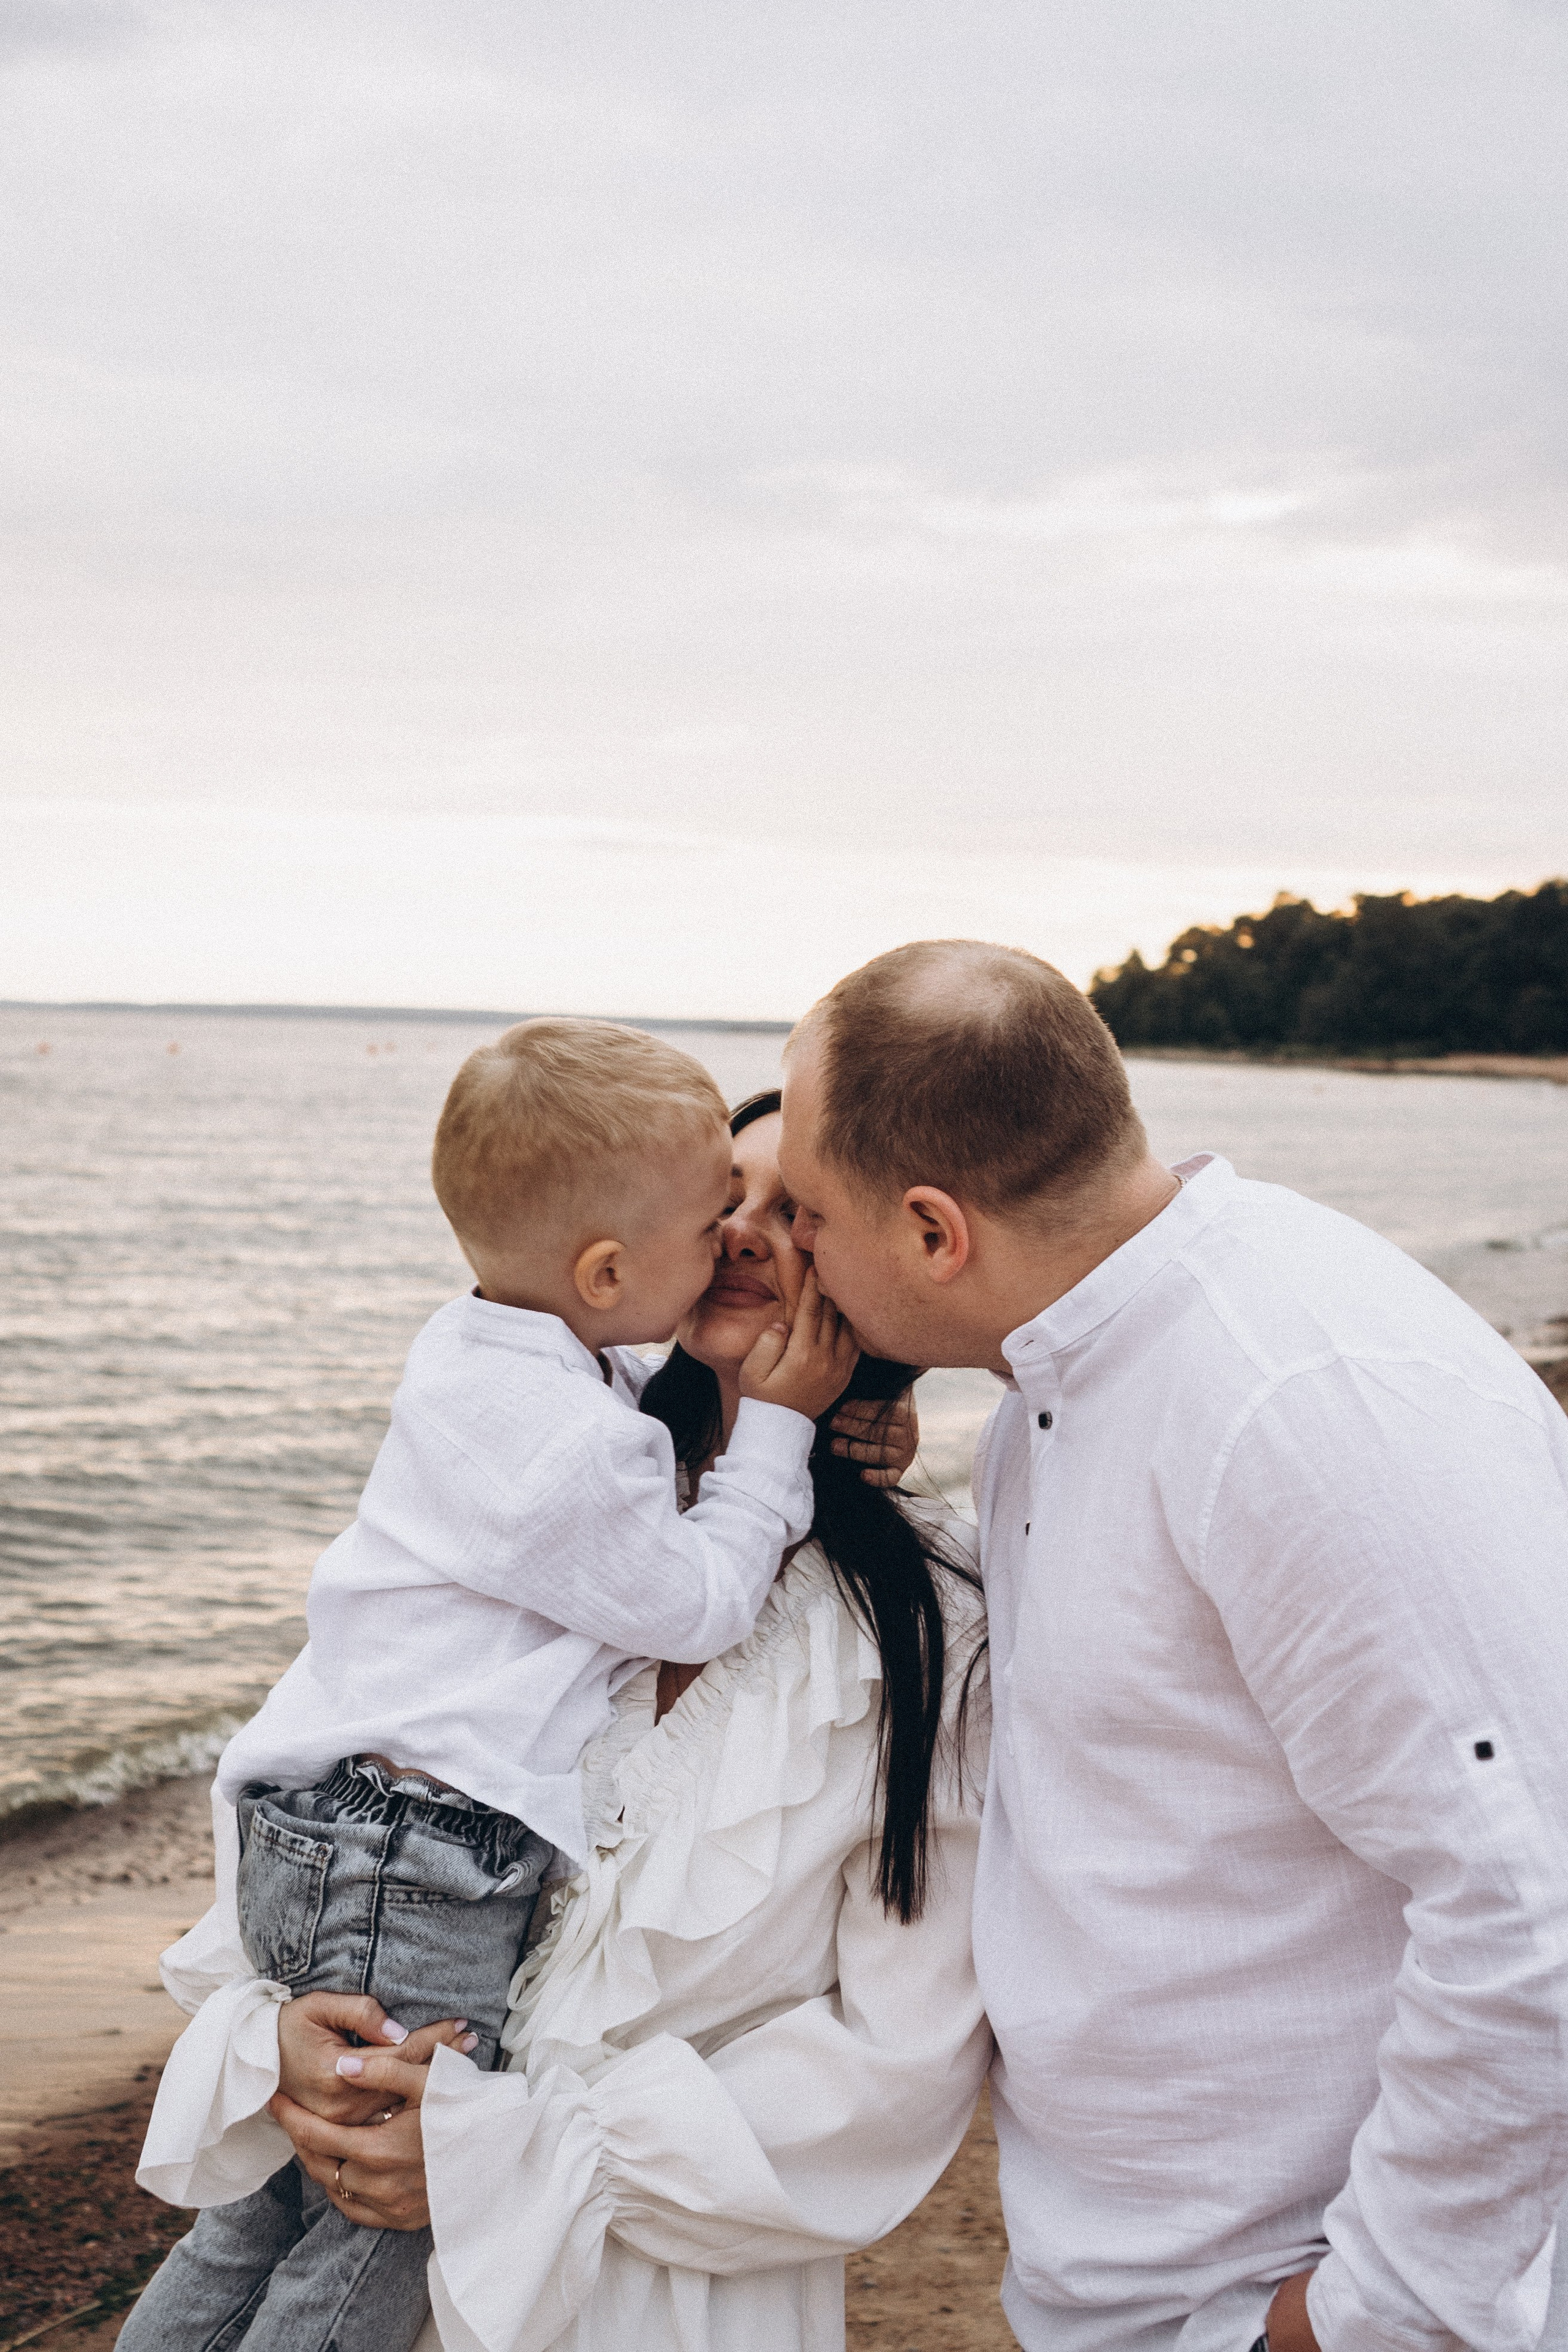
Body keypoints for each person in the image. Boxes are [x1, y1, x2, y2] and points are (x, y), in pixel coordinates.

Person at [776, 938, 1568, 2352]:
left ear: (929, 1232)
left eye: (811, 1216)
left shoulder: (1291, 1400)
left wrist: (1363, 2316)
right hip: (1136, 2282)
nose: (796, 1256)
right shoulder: (1050, 1388)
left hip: (1294, 2293)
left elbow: (1537, 1899)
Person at [126, 1088, 990, 2352]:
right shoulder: (535, 1503)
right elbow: (319, 1809)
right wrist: (275, 2043)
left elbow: (895, 2063)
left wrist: (521, 2158)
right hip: (359, 2189)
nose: (746, 1232)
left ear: (883, 1256)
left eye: (794, 1213)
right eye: (725, 1200)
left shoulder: (932, 1634)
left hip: (645, 2294)